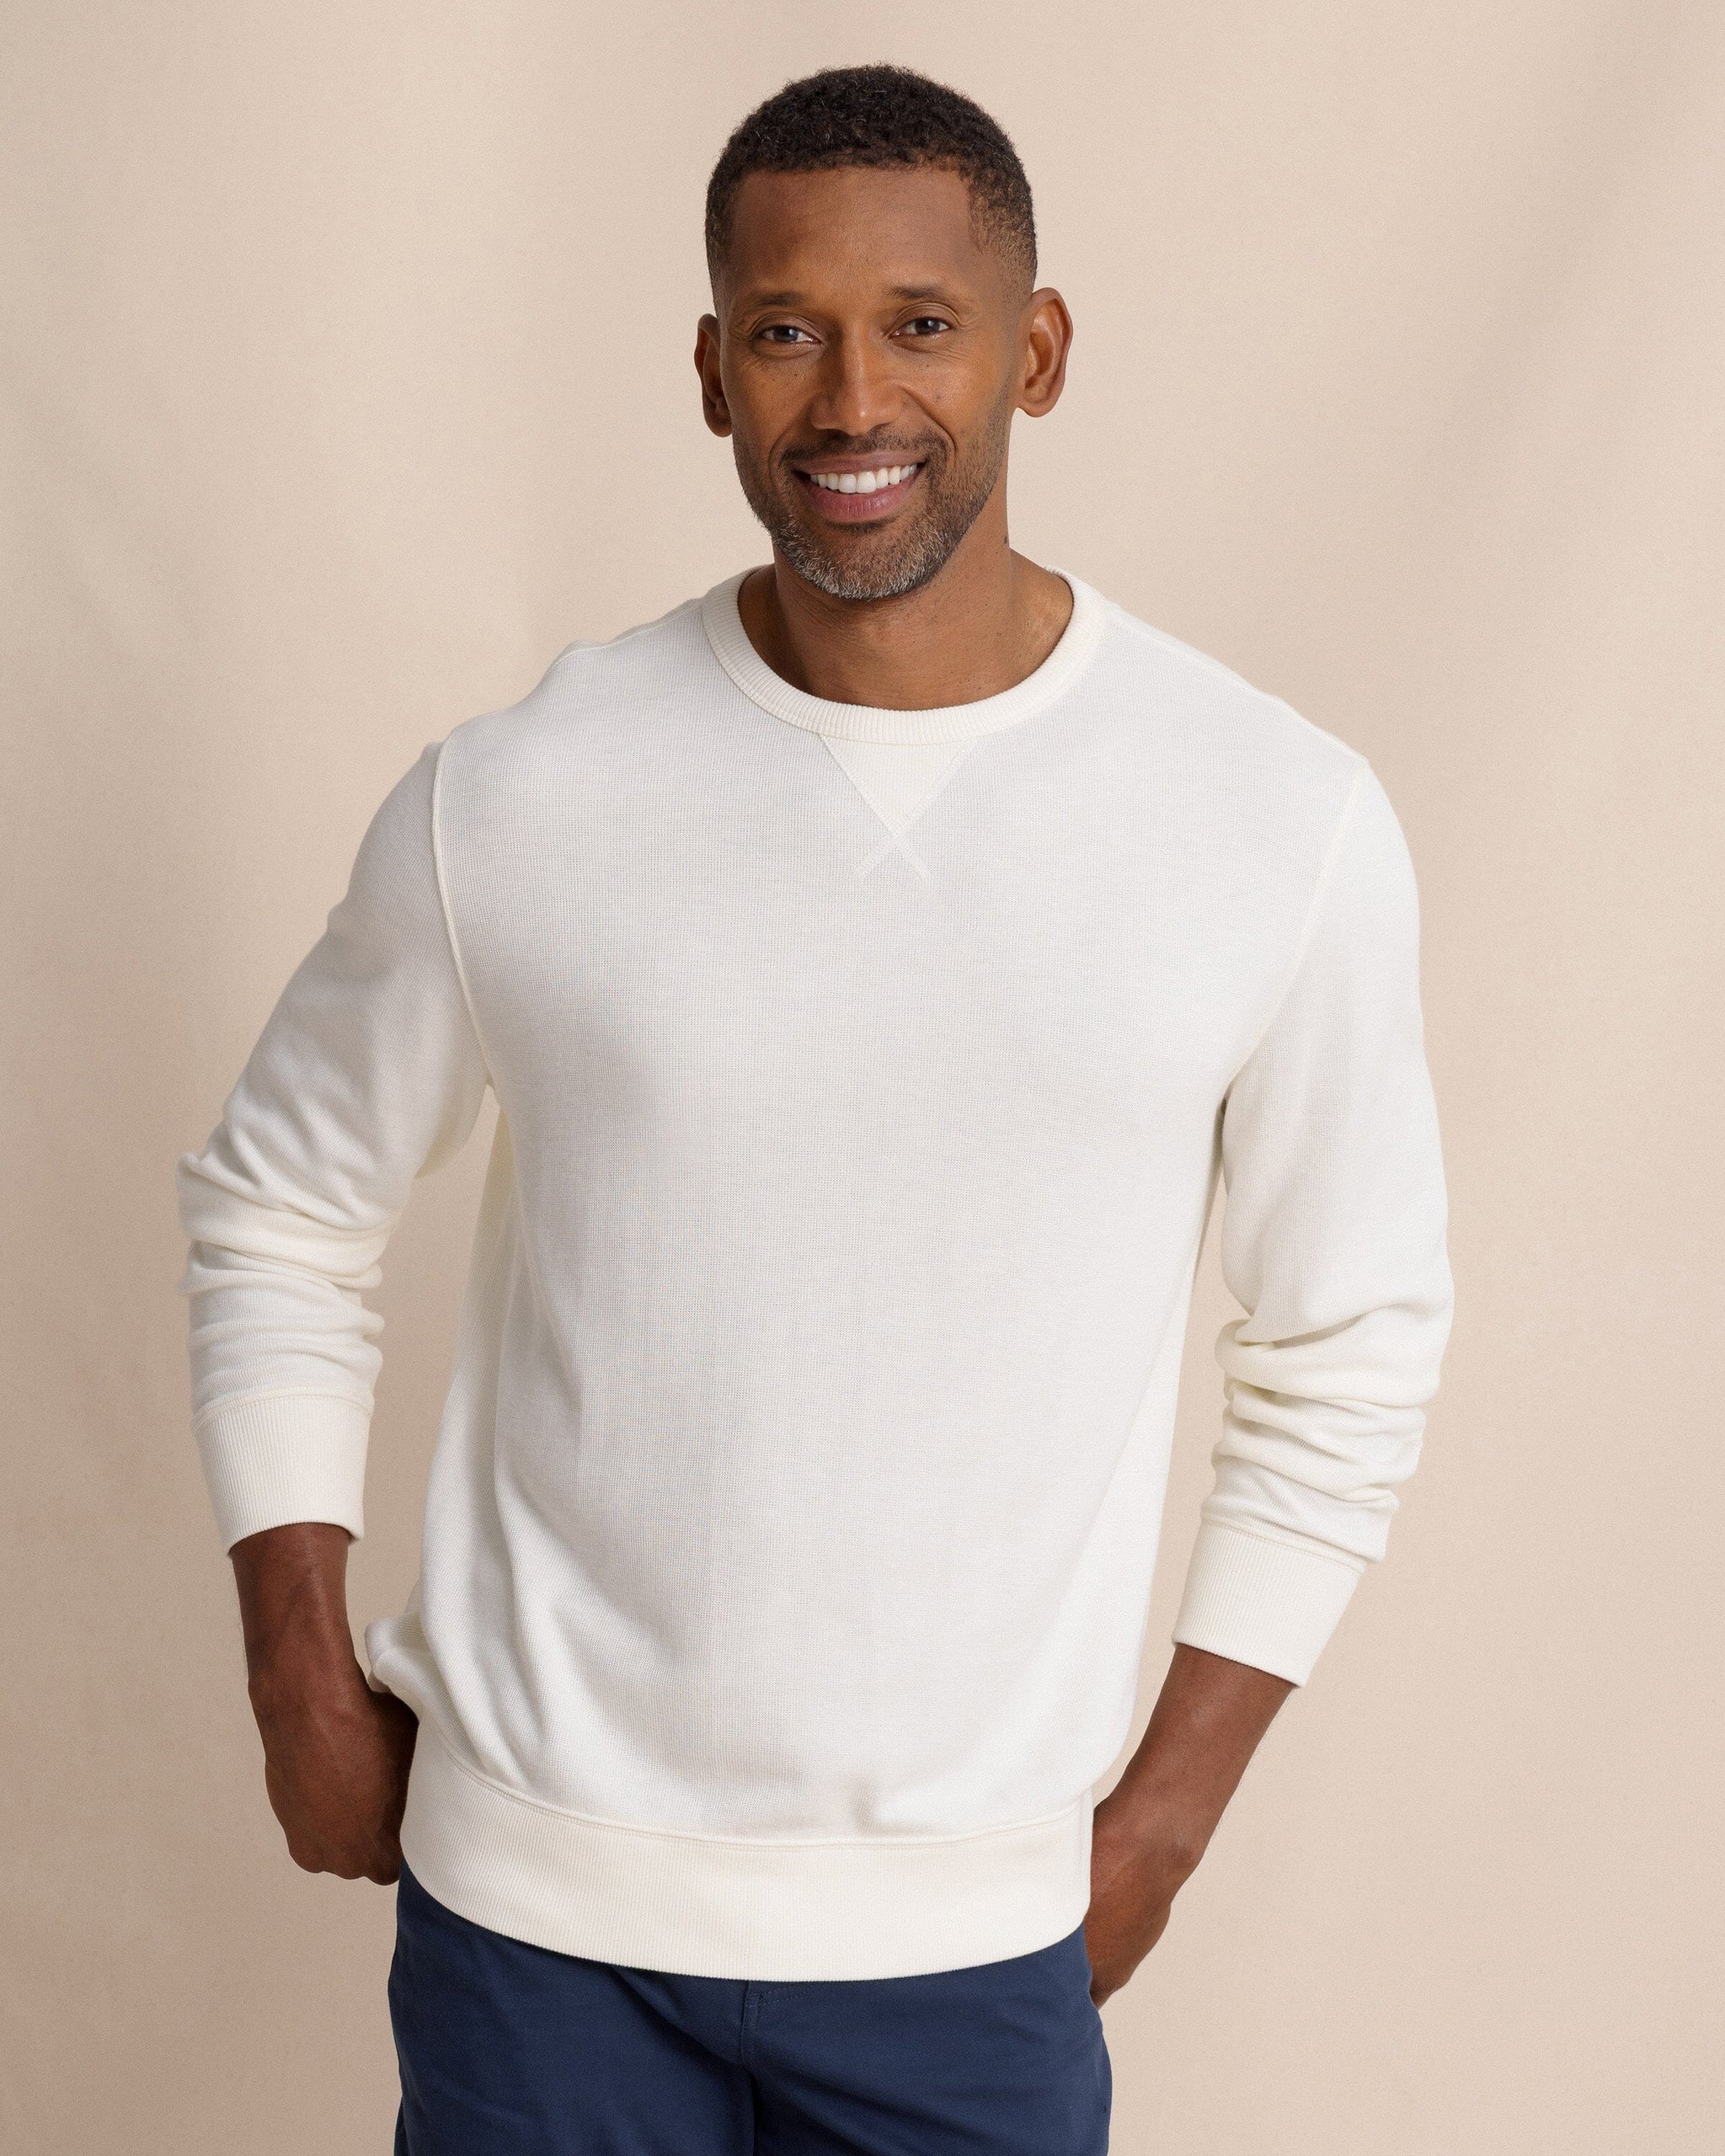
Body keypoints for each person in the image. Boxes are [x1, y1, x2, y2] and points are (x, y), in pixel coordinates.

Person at [175, 61, 1455, 2156]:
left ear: (1037, 351)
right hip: (533, 1937)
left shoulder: (1269, 817)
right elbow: (278, 1206)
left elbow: (1350, 1341)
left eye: (921, 324)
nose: (854, 399)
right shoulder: (520, 796)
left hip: (975, 1950)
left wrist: (1159, 1825)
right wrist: (297, 1677)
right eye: (787, 329)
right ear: (710, 372)